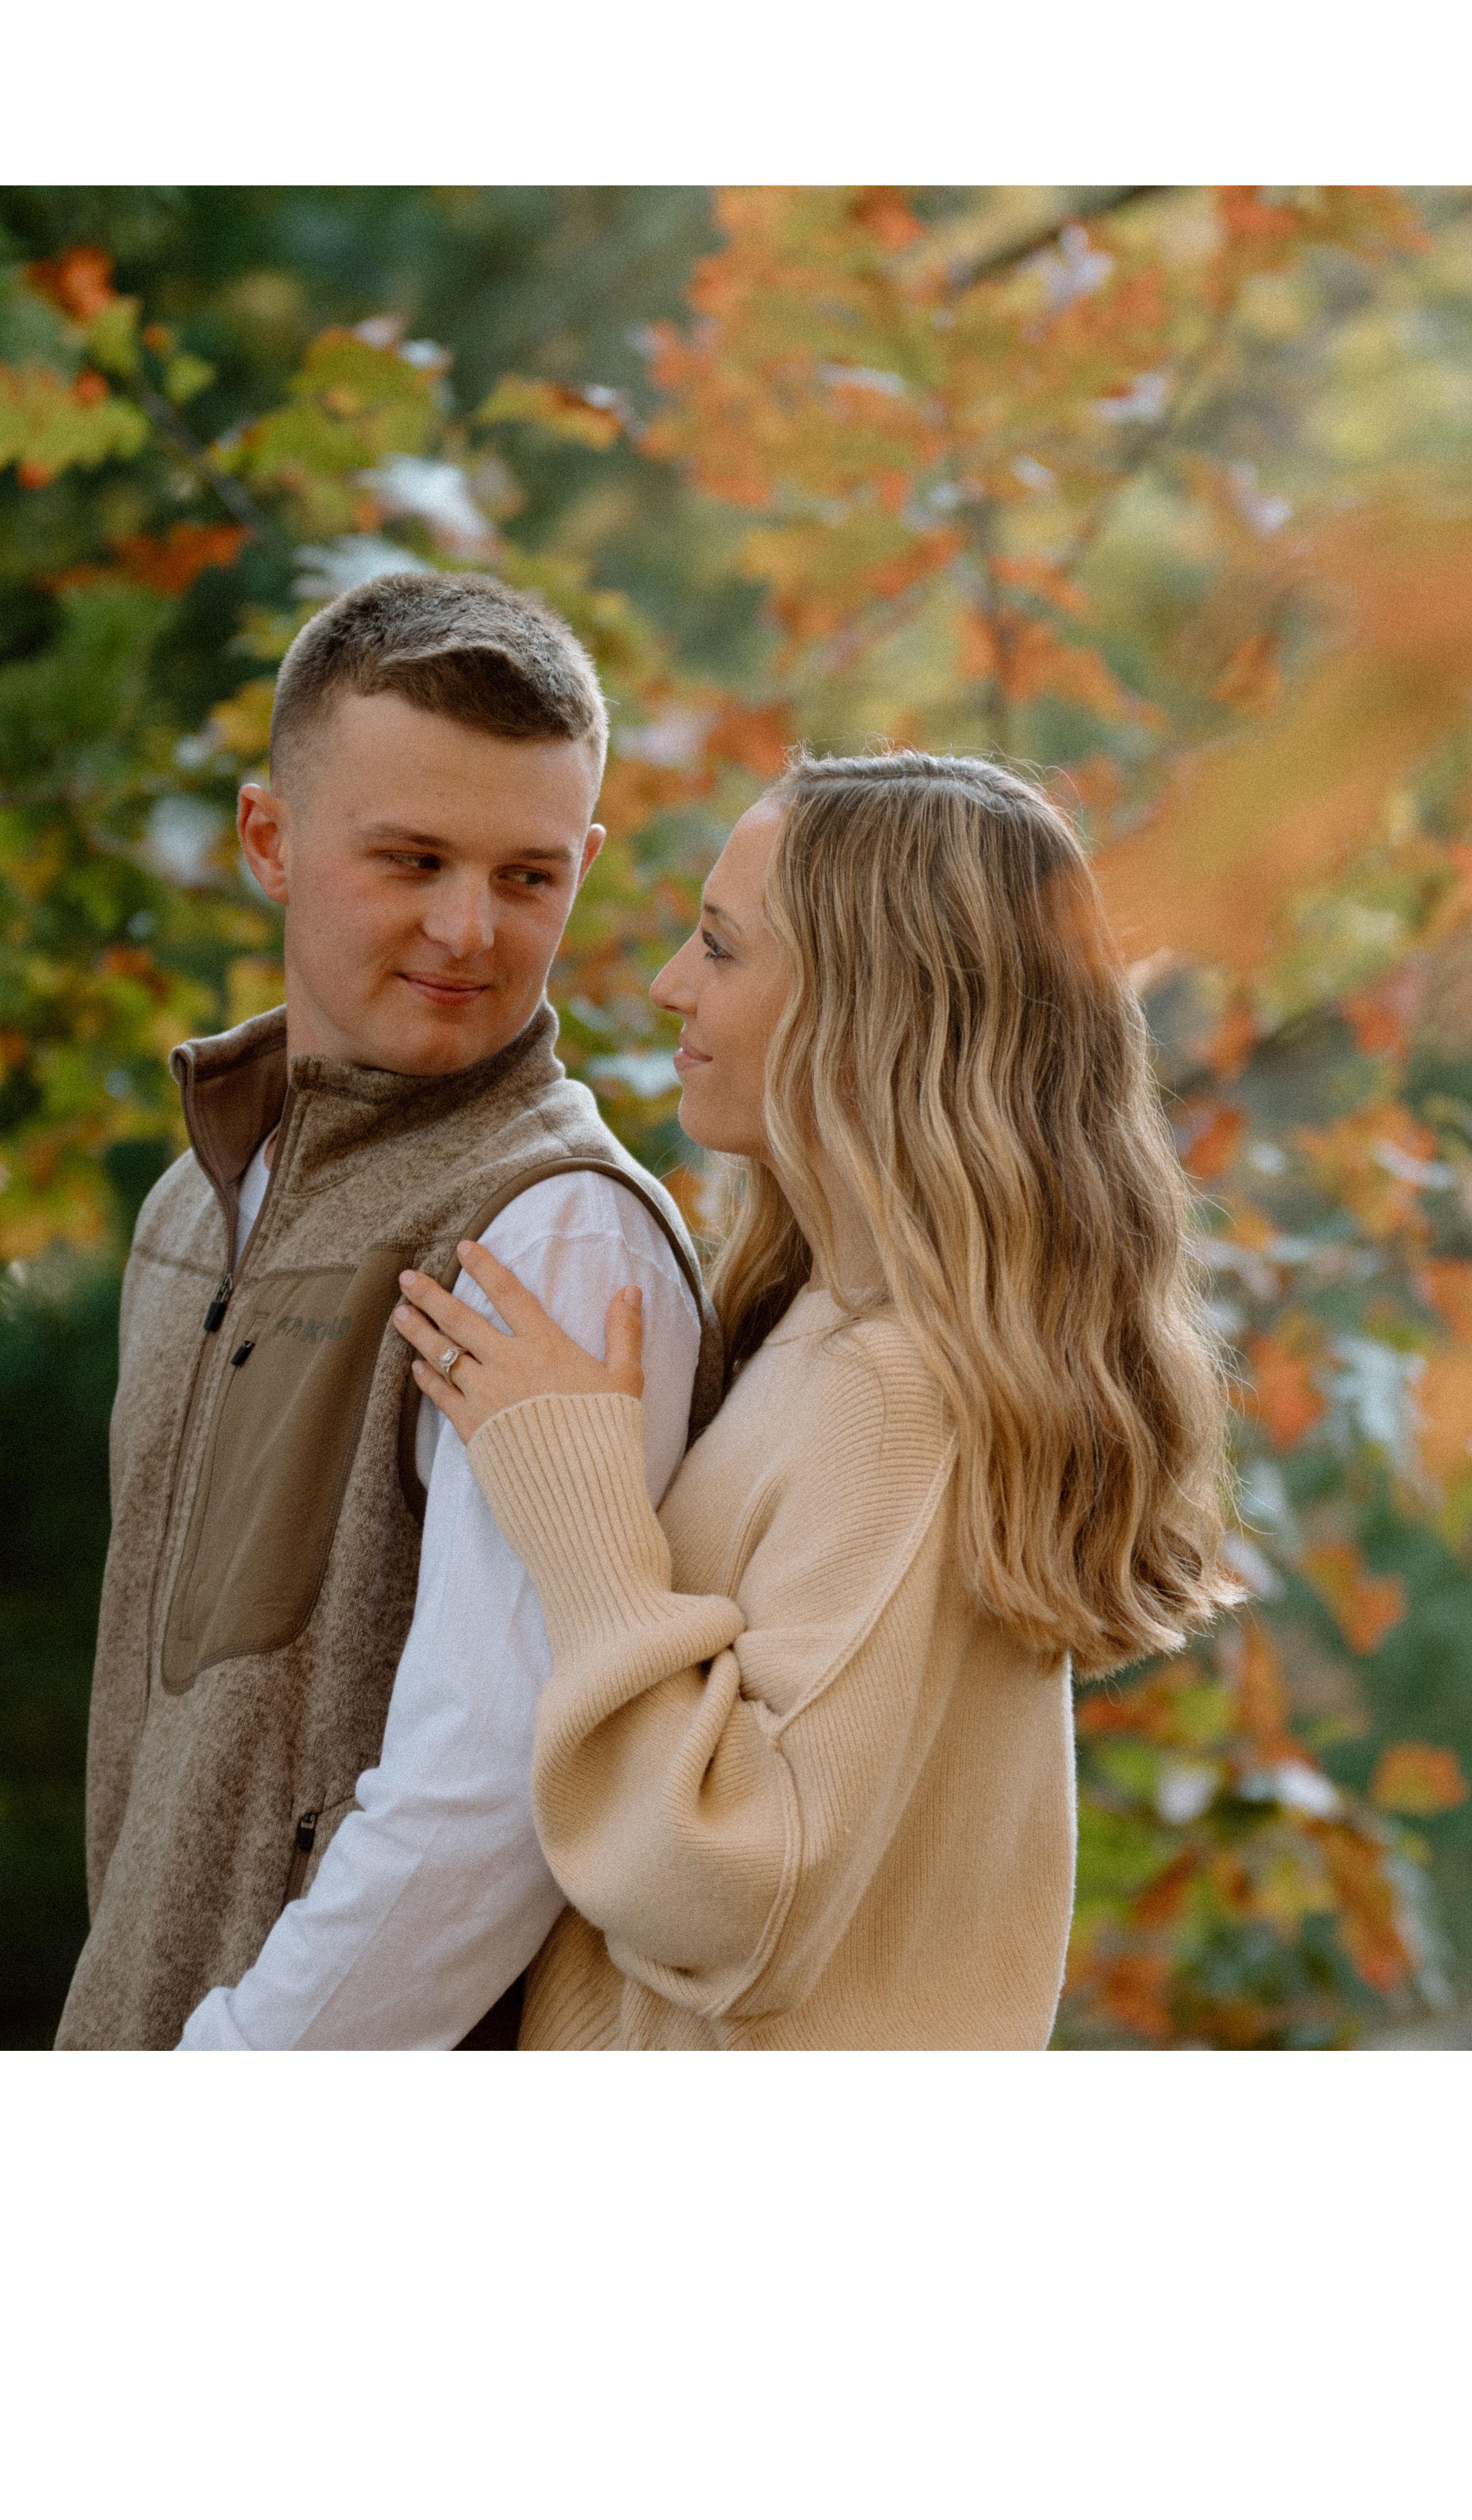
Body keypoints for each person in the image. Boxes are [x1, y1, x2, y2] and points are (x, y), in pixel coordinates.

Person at [386, 749, 1241, 2049]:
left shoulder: (898, 1397)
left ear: (873, 1010)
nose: (672, 983)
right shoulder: (828, 1330)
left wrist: (579, 1500)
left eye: (723, 949)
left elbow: (735, 1899)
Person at [55, 568, 720, 2052]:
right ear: (270, 841)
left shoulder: (552, 1234)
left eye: (528, 877)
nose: (469, 930)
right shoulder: (192, 1211)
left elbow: (486, 1797)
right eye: (413, 861)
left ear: (586, 864)